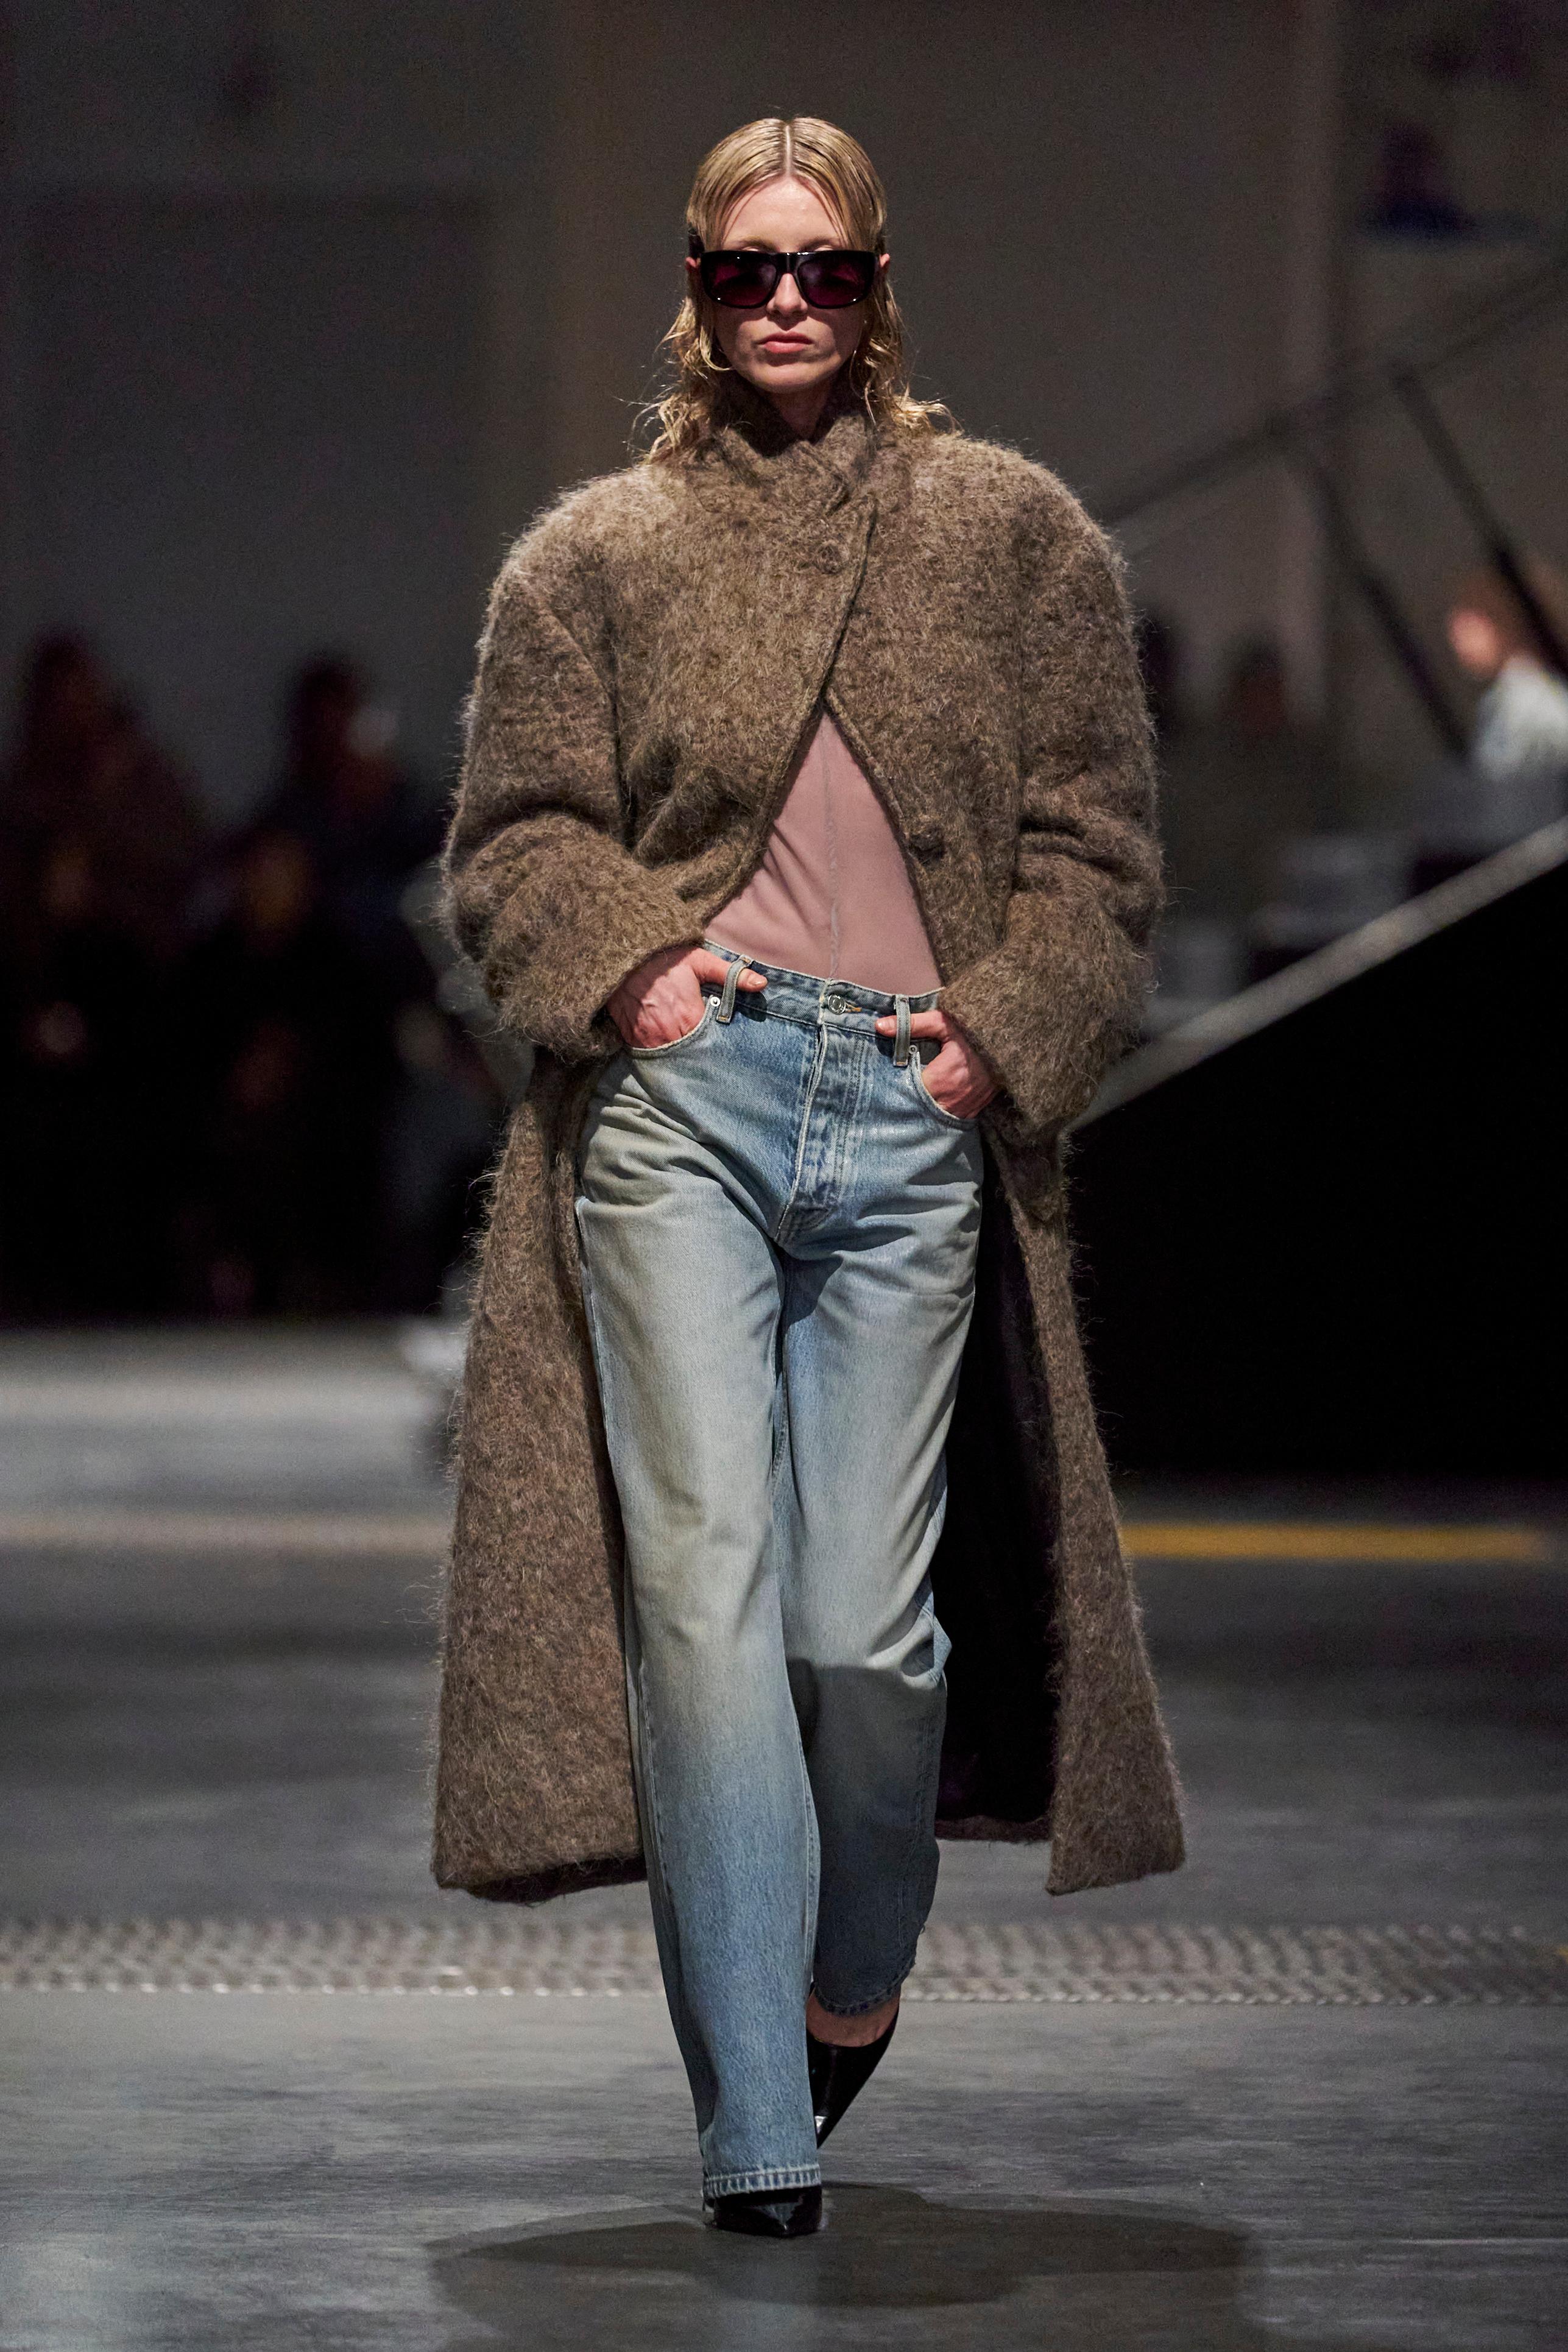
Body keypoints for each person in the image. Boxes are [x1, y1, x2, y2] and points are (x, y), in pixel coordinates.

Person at [432, 116, 1184, 2239]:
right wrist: (637, 971)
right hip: (689, 1097)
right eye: (747, 267)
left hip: (915, 1105)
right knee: (700, 1600)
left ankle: (853, 1977)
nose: (786, 299)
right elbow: (517, 835)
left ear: (877, 291)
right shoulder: (597, 557)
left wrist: (1000, 1033)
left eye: (824, 269)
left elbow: (1098, 847)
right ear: (695, 286)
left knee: (870, 1635)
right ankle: (754, 2125)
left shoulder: (1013, 539)